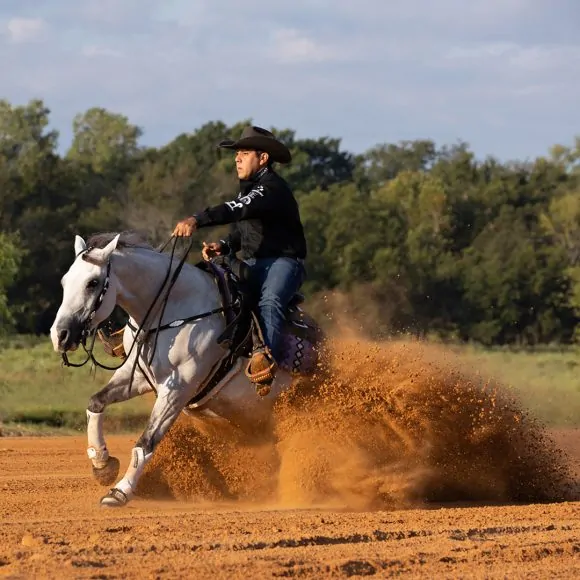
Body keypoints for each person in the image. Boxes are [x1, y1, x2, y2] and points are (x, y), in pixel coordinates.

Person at [172, 125, 307, 392]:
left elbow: (235, 210)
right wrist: (223, 245)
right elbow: (245, 229)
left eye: (244, 153)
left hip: (284, 263)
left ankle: (265, 361)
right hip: (255, 263)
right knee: (215, 284)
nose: (237, 158)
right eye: (238, 154)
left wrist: (197, 219)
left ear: (263, 158)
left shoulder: (271, 188)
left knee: (269, 300)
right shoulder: (251, 191)